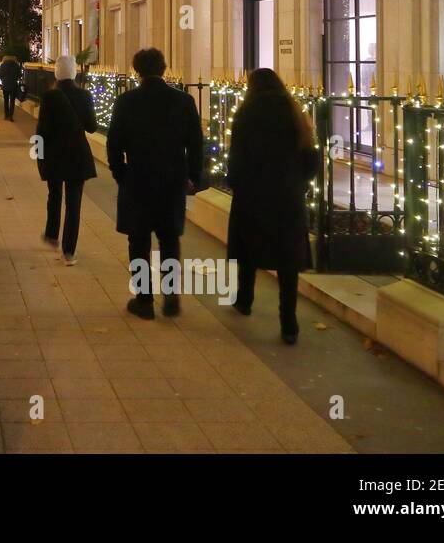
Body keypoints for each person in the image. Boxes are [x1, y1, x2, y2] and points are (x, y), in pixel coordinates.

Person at [106, 48, 203, 319]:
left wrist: (121, 174)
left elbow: (114, 143)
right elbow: (196, 144)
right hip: (172, 181)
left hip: (137, 180)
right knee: (169, 239)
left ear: (137, 71)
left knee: (138, 242)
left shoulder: (126, 101)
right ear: (163, 68)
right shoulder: (184, 101)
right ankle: (170, 296)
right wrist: (193, 177)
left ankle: (144, 300)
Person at [226, 68, 319, 345]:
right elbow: (310, 155)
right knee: (287, 261)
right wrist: (300, 182)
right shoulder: (295, 112)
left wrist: (235, 182)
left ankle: (244, 300)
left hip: (253, 192)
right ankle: (289, 322)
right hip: (287, 195)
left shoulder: (246, 113)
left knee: (248, 250)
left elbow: (237, 155)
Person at [37, 54, 98, 265]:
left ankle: (52, 234)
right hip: (77, 155)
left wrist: (38, 154)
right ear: (74, 73)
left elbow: (42, 130)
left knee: (54, 194)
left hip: (54, 154)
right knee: (74, 204)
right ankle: (69, 251)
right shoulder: (84, 95)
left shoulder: (49, 97)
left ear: (56, 73)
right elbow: (92, 127)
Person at [0, 53, 21, 121]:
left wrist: (4, 79)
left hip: (5, 85)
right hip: (13, 85)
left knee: (6, 100)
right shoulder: (16, 65)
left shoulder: (2, 65)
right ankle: (11, 116)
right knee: (12, 101)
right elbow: (19, 75)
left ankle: (6, 115)